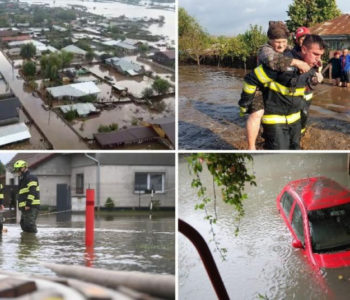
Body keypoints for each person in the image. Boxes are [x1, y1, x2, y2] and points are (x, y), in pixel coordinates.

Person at [239, 34, 325, 150]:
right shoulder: (282, 64)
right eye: (315, 54)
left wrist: (314, 80)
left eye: (320, 55)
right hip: (275, 119)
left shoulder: (313, 66)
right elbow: (251, 79)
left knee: (295, 150)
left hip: (294, 119)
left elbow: (305, 92)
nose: (318, 60)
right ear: (304, 49)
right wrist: (245, 104)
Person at [13, 160, 40, 233]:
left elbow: (32, 191)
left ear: (24, 168)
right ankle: (26, 242)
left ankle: (33, 242)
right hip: (25, 208)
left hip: (31, 206)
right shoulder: (22, 179)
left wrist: (28, 203)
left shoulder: (31, 177)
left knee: (30, 225)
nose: (17, 171)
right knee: (24, 225)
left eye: (18, 169)